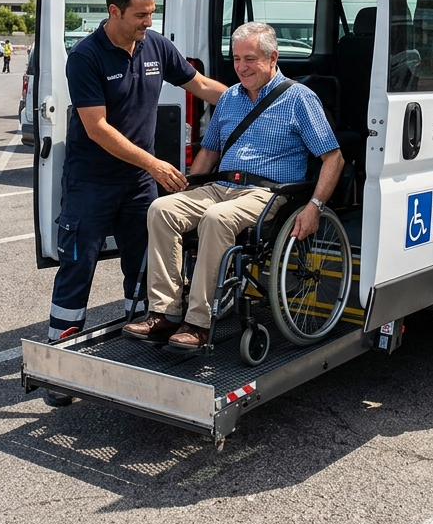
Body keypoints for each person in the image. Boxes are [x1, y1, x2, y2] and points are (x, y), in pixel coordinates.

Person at [44, 0, 226, 404]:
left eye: (152, 13)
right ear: (115, 11)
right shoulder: (86, 56)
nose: (149, 21)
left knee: (144, 265)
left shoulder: (156, 46)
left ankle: (139, 347)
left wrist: (260, 98)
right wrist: (155, 164)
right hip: (91, 181)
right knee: (77, 266)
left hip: (138, 183)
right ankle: (58, 369)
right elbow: (97, 128)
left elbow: (200, 85)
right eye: (141, 14)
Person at [126, 22, 343, 351]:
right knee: (161, 209)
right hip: (221, 186)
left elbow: (333, 158)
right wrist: (186, 189)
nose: (241, 67)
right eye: (237, 59)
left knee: (217, 217)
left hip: (268, 193)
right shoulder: (229, 98)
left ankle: (197, 323)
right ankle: (165, 313)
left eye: (250, 59)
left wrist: (315, 207)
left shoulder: (299, 99)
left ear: (272, 58)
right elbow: (209, 152)